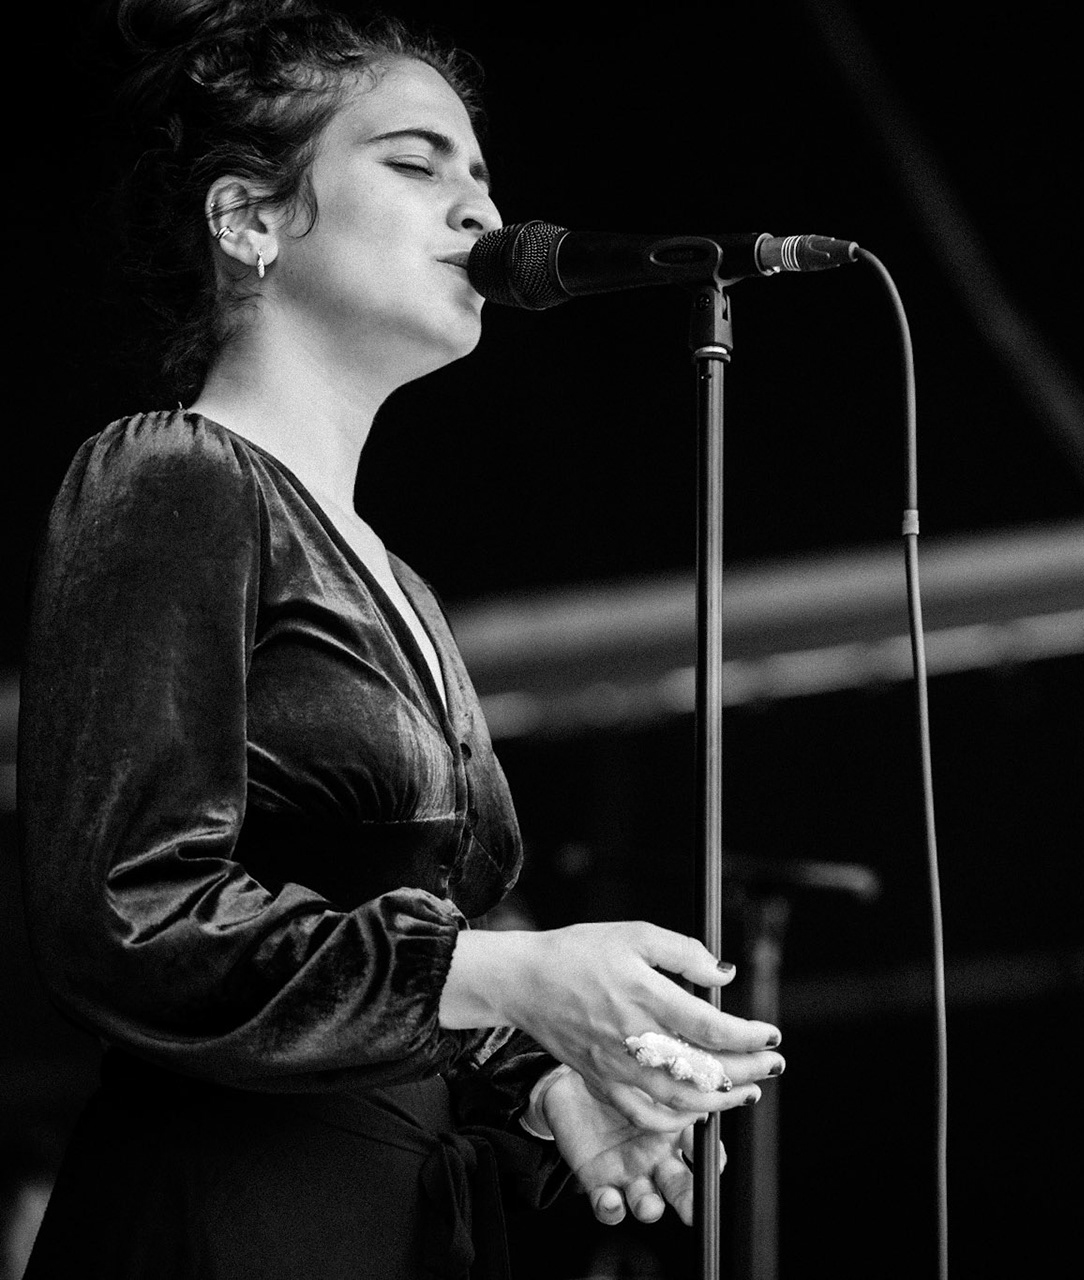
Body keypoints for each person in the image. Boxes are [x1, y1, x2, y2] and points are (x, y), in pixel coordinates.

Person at [18, 2, 784, 1275]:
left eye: (482, 176)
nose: (481, 213)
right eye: (417, 163)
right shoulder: (175, 479)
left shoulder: (401, 584)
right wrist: (514, 976)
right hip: (226, 1218)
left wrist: (542, 1085)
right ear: (250, 221)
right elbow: (128, 914)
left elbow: (388, 938)